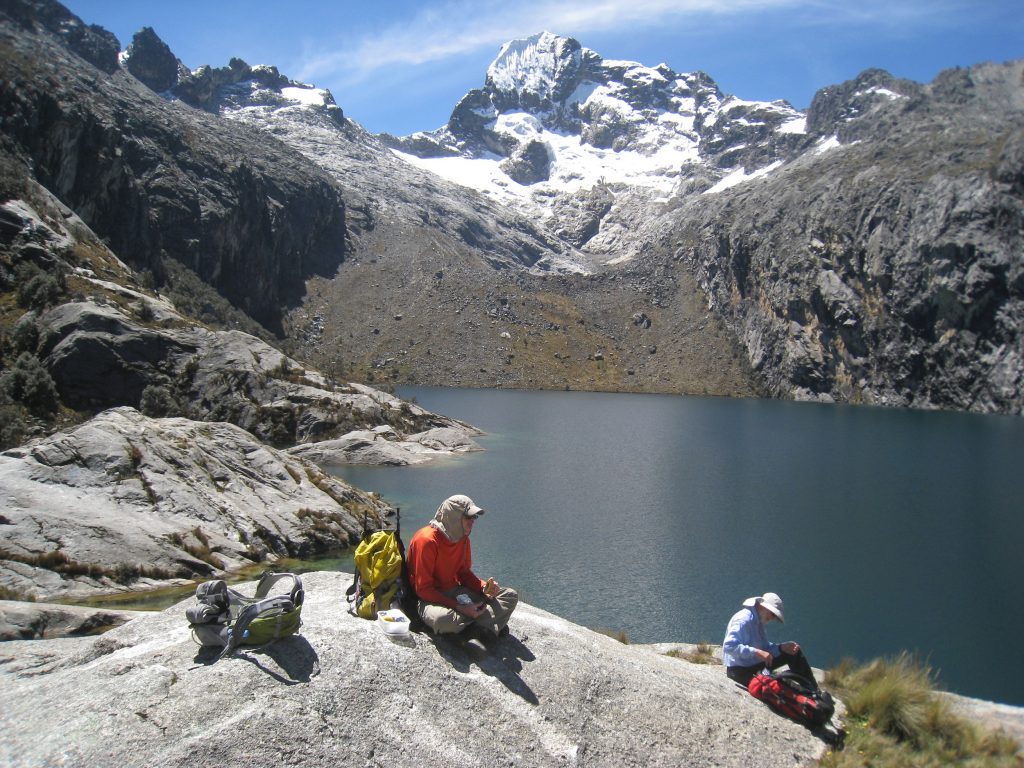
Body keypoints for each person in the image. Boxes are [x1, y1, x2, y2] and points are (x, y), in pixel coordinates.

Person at [406, 494, 518, 641]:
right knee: (442, 619)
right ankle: (485, 625)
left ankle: (472, 629)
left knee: (510, 595)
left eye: (474, 518)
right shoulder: (427, 540)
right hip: (429, 599)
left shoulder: (462, 538)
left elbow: (463, 573)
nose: (472, 522)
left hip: (456, 591)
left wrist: (483, 587)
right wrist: (458, 606)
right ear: (453, 517)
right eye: (468, 517)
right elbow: (423, 590)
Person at [722, 592, 818, 689]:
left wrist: (781, 648)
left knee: (793, 652)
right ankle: (810, 692)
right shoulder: (744, 620)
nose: (772, 618)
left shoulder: (758, 621)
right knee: (777, 688)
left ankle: (812, 690)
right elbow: (729, 646)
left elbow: (765, 648)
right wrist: (757, 652)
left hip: (752, 664)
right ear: (762, 606)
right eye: (773, 614)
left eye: (775, 616)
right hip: (739, 670)